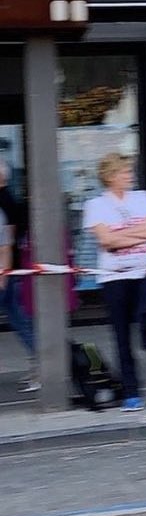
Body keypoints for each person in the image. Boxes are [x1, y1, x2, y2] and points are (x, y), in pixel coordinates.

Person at [82, 153, 146, 412]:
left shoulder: (143, 198)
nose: (130, 175)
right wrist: (137, 235)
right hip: (114, 277)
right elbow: (106, 241)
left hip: (145, 273)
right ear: (110, 176)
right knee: (122, 336)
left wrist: (121, 234)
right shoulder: (95, 204)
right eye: (124, 171)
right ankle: (131, 393)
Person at [0, 160, 37, 391]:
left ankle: (43, 364)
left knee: (20, 320)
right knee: (20, 319)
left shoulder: (4, 201)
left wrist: (4, 272)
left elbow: (7, 240)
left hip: (7, 271)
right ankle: (41, 364)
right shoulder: (10, 198)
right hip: (10, 270)